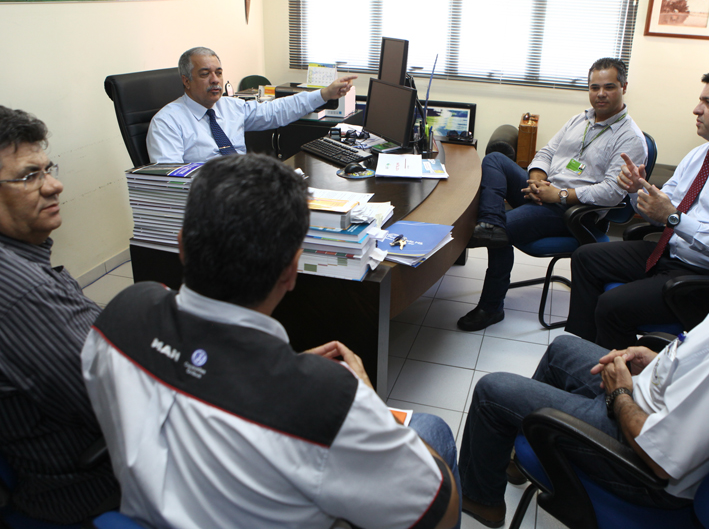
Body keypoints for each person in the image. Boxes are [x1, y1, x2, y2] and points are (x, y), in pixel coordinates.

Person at [82, 154, 461, 529]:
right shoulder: (330, 399)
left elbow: (197, 377)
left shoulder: (122, 314)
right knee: (433, 431)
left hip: (141, 514)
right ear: (292, 270)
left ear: (181, 246)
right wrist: (368, 406)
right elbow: (440, 515)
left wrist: (283, 373)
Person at [457, 152, 709, 528]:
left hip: (637, 461)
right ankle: (522, 447)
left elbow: (661, 458)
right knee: (561, 349)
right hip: (656, 405)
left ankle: (480, 500)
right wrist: (662, 360)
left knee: (492, 390)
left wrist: (619, 393)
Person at [566, 66, 709, 349]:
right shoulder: (703, 152)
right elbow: (662, 209)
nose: (696, 109)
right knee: (585, 257)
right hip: (671, 252)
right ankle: (583, 353)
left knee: (611, 306)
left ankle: (625, 383)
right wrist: (637, 190)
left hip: (706, 274)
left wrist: (674, 217)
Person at [457, 57, 647, 331]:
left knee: (503, 230)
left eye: (609, 87)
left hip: (574, 212)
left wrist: (558, 195)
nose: (600, 94)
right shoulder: (579, 119)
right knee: (496, 160)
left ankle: (491, 306)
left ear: (624, 87)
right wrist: (536, 179)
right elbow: (546, 153)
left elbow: (611, 192)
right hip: (546, 192)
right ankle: (489, 222)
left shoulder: (630, 138)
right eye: (594, 87)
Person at [0, 106, 119, 524]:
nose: (55, 185)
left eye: (48, 169)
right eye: (29, 176)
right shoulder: (21, 295)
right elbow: (122, 399)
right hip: (85, 487)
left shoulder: (21, 264)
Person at [146, 46, 356, 163]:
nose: (215, 80)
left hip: (244, 190)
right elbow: (171, 180)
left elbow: (276, 110)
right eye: (205, 74)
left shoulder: (230, 106)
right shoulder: (167, 122)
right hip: (208, 203)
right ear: (186, 80)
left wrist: (324, 94)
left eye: (218, 72)